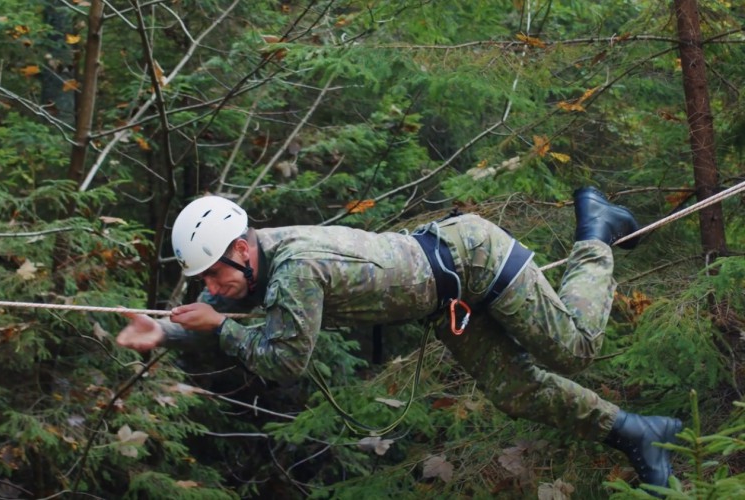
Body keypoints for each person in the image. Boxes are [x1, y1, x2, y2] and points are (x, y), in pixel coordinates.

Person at [116, 189, 682, 490]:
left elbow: (284, 360)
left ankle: (596, 230)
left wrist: (219, 327)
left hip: (474, 257)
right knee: (518, 392)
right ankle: (638, 433)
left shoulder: (294, 269)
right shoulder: (256, 259)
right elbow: (221, 310)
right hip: (447, 295)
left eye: (215, 275)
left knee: (574, 346)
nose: (213, 289)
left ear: (241, 249)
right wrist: (165, 331)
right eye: (206, 282)